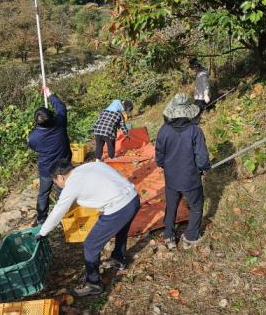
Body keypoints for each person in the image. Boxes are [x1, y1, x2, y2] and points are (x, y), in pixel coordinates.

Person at [37, 159, 140, 297]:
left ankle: (93, 283)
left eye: (56, 182)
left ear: (61, 177)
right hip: (133, 198)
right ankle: (118, 258)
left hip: (119, 207)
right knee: (121, 230)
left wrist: (42, 232)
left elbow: (58, 211)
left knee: (90, 245)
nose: (57, 185)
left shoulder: (72, 185)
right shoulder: (91, 165)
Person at [155, 93, 211, 250]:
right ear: (189, 112)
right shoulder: (195, 131)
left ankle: (169, 236)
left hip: (171, 178)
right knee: (196, 206)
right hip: (190, 178)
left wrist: (162, 165)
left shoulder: (163, 130)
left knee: (171, 206)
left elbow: (159, 154)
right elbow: (202, 156)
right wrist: (204, 168)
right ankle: (190, 237)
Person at [27, 87, 72, 225]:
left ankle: (42, 219)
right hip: (62, 166)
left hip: (46, 169)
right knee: (62, 191)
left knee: (43, 194)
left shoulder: (34, 137)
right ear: (52, 116)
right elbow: (61, 107)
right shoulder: (60, 122)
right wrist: (50, 94)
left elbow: (33, 147)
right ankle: (63, 216)